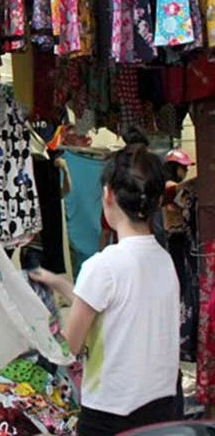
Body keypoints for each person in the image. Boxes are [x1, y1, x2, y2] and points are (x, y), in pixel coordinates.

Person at [31, 142, 179, 436]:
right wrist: (63, 284)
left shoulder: (102, 266)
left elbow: (69, 348)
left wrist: (39, 322)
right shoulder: (164, 259)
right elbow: (119, 308)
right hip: (163, 407)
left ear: (108, 195)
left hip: (112, 414)